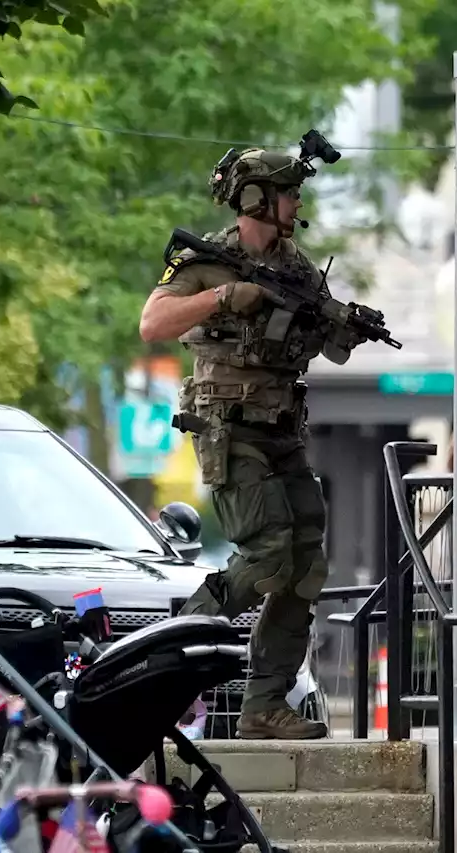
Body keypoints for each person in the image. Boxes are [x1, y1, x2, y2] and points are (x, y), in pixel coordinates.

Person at [138, 145, 364, 739]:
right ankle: (161, 661)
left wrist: (340, 324)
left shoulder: (295, 266)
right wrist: (222, 297)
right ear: (254, 199)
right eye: (289, 193)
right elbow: (153, 324)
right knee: (265, 555)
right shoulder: (204, 261)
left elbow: (310, 341)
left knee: (304, 563)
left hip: (282, 427)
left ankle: (264, 706)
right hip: (228, 426)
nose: (297, 203)